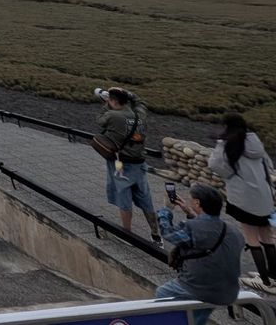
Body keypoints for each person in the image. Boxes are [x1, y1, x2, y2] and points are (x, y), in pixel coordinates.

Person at [207, 113, 276, 295]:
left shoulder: (227, 144)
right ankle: (273, 276)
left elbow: (215, 165)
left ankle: (265, 283)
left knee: (252, 239)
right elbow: (269, 166)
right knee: (267, 238)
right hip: (265, 196)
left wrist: (231, 174)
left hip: (244, 197)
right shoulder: (255, 143)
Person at [156, 183, 244, 325]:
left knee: (162, 293)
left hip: (198, 288)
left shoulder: (191, 227)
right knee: (198, 314)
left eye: (191, 199)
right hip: (227, 292)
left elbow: (168, 233)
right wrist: (191, 213)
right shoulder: (234, 231)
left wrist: (166, 209)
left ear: (197, 202)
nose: (189, 201)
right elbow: (207, 237)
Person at [97, 87, 161, 244]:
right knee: (146, 199)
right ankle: (155, 235)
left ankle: (127, 234)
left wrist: (105, 103)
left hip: (121, 165)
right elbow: (141, 103)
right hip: (139, 164)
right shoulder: (140, 115)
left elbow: (100, 120)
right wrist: (131, 95)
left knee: (124, 198)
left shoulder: (112, 115)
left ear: (113, 101)